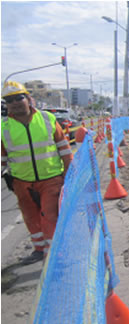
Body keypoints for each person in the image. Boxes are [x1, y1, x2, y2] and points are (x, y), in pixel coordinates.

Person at [1, 81, 73, 265]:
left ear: (28, 99)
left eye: (19, 97)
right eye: (10, 100)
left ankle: (53, 256)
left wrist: (69, 171)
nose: (16, 102)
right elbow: (2, 158)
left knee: (49, 216)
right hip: (21, 182)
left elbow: (63, 148)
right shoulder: (4, 128)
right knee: (30, 217)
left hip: (51, 179)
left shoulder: (47, 119)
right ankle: (39, 249)